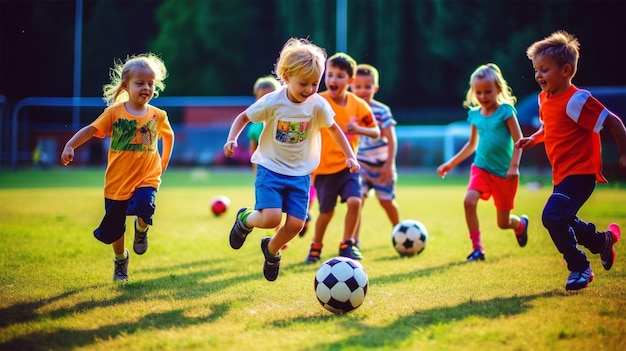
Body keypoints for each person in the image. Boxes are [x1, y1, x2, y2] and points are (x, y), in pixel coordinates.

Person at [223, 38, 360, 282]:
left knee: (296, 224)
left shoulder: (317, 104)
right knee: (271, 218)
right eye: (303, 84)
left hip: (300, 173)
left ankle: (271, 251)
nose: (309, 90)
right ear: (286, 76)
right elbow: (243, 118)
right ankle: (245, 219)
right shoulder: (273, 101)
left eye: (315, 84)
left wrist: (350, 155)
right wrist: (232, 139)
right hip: (271, 168)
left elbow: (335, 129)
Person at [516, 30, 625, 291]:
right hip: (561, 175)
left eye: (544, 69)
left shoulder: (577, 100)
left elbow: (613, 120)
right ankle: (602, 242)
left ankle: (580, 267)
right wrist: (535, 139)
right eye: (536, 70)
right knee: (562, 217)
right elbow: (552, 128)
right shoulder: (545, 99)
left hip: (581, 174)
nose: (538, 75)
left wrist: (624, 152)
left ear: (566, 71)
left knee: (551, 216)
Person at [60, 53, 174, 282]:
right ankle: (121, 259)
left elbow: (168, 138)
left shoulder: (158, 115)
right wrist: (70, 145)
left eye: (150, 83)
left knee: (145, 205)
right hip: (117, 181)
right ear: (126, 85)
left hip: (147, 178)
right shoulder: (114, 113)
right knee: (115, 229)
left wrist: (162, 164)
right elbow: (91, 130)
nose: (146, 87)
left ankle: (141, 230)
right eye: (140, 83)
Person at [437, 63, 528, 262]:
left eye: (488, 91)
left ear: (499, 89)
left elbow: (519, 141)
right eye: (478, 92)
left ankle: (520, 224)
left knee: (503, 223)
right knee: (469, 201)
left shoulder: (506, 112)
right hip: (481, 168)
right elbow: (471, 145)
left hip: (505, 173)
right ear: (473, 91)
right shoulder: (475, 114)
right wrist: (450, 164)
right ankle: (477, 248)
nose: (483, 96)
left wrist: (514, 166)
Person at [304, 53, 380, 264]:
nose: (333, 80)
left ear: (350, 81)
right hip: (324, 170)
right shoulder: (318, 101)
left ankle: (348, 243)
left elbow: (375, 131)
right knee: (326, 212)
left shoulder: (359, 105)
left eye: (339, 76)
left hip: (349, 166)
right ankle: (315, 246)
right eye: (330, 75)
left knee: (355, 201)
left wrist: (358, 129)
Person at [247, 75, 314, 238]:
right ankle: (278, 236)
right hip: (270, 170)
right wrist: (256, 169)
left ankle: (305, 216)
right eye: (262, 98)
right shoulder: (255, 127)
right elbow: (253, 150)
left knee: (302, 200)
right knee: (274, 207)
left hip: (296, 169)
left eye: (270, 95)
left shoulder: (295, 117)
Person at [349, 64, 400, 245]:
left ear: (375, 88)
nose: (362, 91)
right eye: (358, 86)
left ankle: (400, 231)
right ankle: (353, 240)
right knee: (357, 200)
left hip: (381, 165)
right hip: (361, 163)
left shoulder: (381, 111)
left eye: (367, 87)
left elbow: (391, 140)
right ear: (351, 86)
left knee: (386, 201)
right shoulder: (350, 110)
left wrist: (389, 165)